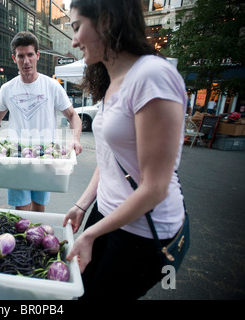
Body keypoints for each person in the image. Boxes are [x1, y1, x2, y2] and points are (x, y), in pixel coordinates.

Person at [63, 0, 187, 300]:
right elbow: (110, 159)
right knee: (76, 291)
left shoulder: (152, 75)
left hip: (142, 232)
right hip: (105, 214)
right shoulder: (111, 81)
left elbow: (155, 188)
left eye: (77, 27)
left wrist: (91, 233)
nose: (73, 40)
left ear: (105, 20)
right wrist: (82, 205)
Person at [0, 31, 82, 212]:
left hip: (45, 158)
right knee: (22, 213)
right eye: (21, 56)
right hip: (17, 159)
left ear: (37, 55)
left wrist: (75, 138)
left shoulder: (52, 86)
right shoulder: (7, 89)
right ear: (14, 58)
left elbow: (73, 115)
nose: (26, 61)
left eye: (30, 55)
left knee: (39, 209)